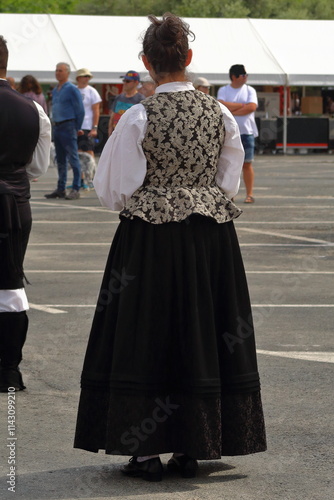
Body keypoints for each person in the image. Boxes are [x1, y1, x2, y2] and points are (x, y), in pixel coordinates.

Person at [74, 13, 266, 482]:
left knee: (147, 333)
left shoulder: (138, 116)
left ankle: (144, 451)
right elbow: (228, 181)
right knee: (202, 331)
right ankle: (193, 445)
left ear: (146, 62)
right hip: (210, 237)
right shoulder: (218, 112)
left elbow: (113, 191)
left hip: (151, 239)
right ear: (189, 58)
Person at [0, 35, 51, 392]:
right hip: (14, 205)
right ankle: (9, 372)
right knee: (9, 289)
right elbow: (38, 167)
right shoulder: (32, 108)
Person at [217, 64, 258, 203]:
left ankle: (249, 194)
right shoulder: (223, 89)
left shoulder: (250, 90)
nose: (245, 77)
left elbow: (252, 107)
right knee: (228, 165)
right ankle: (230, 194)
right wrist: (242, 105)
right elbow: (220, 104)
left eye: (246, 75)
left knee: (247, 164)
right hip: (228, 132)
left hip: (246, 132)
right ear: (234, 77)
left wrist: (232, 109)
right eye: (243, 75)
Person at [44, 62, 84, 200]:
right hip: (57, 126)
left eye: (60, 70)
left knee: (73, 158)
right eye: (56, 70)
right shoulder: (56, 90)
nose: (57, 73)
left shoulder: (72, 89)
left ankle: (76, 188)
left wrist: (77, 127)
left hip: (68, 125)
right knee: (60, 159)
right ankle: (61, 188)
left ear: (67, 73)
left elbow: (80, 109)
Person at [108, 70, 144, 135]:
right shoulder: (118, 98)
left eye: (127, 81)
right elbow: (112, 118)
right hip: (116, 133)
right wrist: (110, 134)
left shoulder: (141, 100)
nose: (124, 83)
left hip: (130, 135)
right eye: (124, 80)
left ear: (136, 82)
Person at [76, 68, 102, 158]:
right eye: (85, 76)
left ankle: (92, 172)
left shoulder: (92, 91)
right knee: (77, 152)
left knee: (88, 151)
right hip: (75, 126)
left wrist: (94, 128)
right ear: (78, 78)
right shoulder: (73, 90)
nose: (87, 78)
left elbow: (96, 110)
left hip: (87, 126)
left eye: (88, 76)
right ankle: (80, 172)